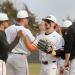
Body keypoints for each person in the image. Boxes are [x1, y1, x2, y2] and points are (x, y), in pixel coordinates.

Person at [6, 10, 36, 75]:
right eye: (27, 18)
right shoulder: (25, 30)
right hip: (20, 57)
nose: (28, 20)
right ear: (23, 19)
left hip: (9, 57)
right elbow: (34, 45)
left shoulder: (9, 29)